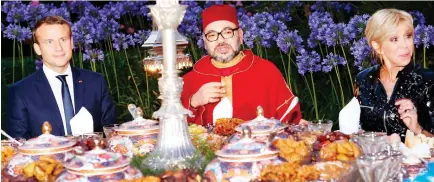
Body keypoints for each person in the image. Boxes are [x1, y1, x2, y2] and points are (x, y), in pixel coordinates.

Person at [181, 5, 302, 126]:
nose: (221, 41)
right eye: (212, 35)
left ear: (240, 35)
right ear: (205, 42)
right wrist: (193, 102)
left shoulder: (266, 71)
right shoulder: (189, 80)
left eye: (228, 32)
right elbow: (171, 131)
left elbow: (291, 120)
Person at [5, 16, 117, 139]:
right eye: (49, 42)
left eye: (63, 39)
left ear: (72, 42)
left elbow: (111, 134)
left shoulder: (95, 82)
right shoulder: (21, 92)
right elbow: (17, 146)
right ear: (38, 49)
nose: (58, 48)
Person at [355, 9, 434, 140]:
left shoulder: (428, 81)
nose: (405, 45)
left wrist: (417, 129)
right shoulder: (363, 79)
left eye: (408, 36)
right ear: (377, 46)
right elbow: (357, 129)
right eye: (394, 39)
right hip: (374, 159)